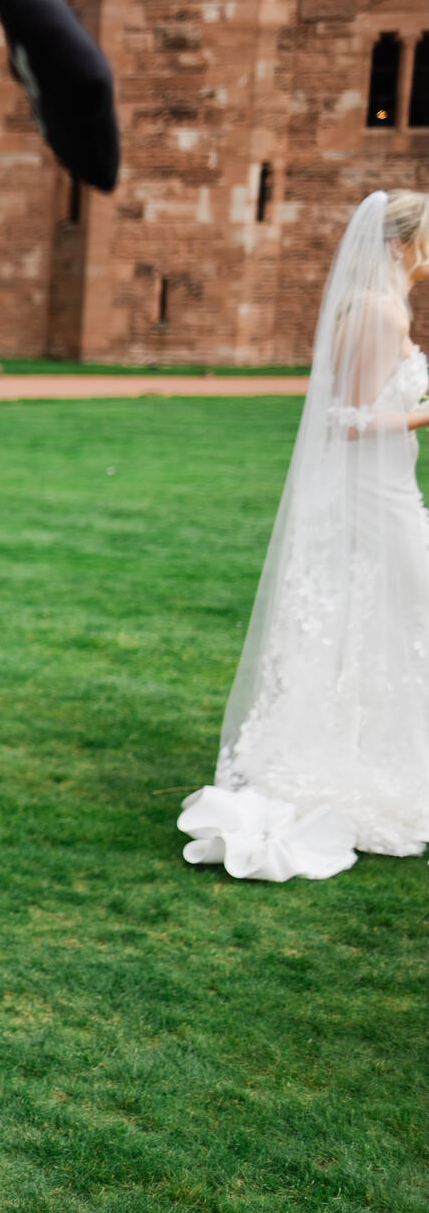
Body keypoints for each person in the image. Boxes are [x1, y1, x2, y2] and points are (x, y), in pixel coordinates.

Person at [179, 189, 429, 881]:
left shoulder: (381, 306)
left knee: (385, 624)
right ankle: (362, 769)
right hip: (376, 498)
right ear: (400, 245)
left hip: (389, 489)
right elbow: (348, 421)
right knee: (403, 617)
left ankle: (379, 755)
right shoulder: (379, 311)